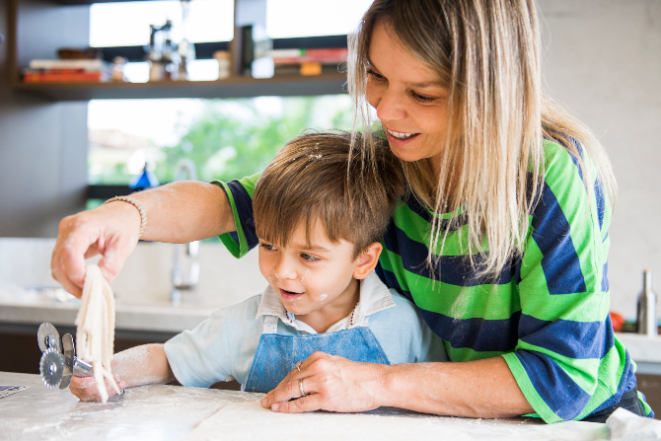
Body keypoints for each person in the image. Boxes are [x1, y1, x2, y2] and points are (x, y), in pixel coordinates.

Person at [52, 0, 654, 424]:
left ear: (490, 92)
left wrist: (373, 383)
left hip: (588, 422)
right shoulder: (385, 161)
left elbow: (564, 376)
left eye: (422, 95)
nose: (386, 110)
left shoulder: (550, 176)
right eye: (375, 75)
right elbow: (234, 204)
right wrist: (127, 214)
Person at [68, 132, 447, 402]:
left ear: (363, 260)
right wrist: (107, 371)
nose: (282, 271)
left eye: (308, 256)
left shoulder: (403, 324)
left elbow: (441, 397)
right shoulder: (245, 325)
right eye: (269, 245)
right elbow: (168, 360)